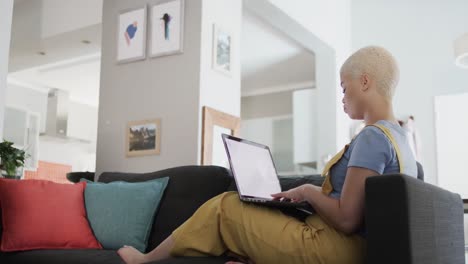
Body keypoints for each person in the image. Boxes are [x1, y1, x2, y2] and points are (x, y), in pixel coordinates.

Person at [117, 46, 418, 264]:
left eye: (344, 87)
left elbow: (348, 219)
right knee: (259, 212)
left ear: (364, 82)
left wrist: (309, 191)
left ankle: (144, 260)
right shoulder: (402, 140)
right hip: (355, 247)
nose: (342, 97)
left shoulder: (371, 138)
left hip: (335, 249)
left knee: (226, 205)